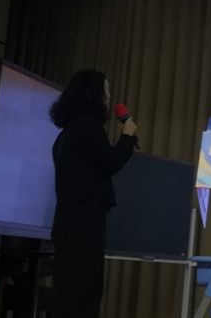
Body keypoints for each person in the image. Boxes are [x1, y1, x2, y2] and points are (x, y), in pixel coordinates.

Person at [49, 69, 138, 317]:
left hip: (66, 224)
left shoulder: (65, 134)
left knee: (67, 294)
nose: (108, 99)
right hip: (84, 226)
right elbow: (110, 162)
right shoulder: (88, 126)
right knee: (84, 294)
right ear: (92, 96)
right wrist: (127, 136)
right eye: (105, 92)